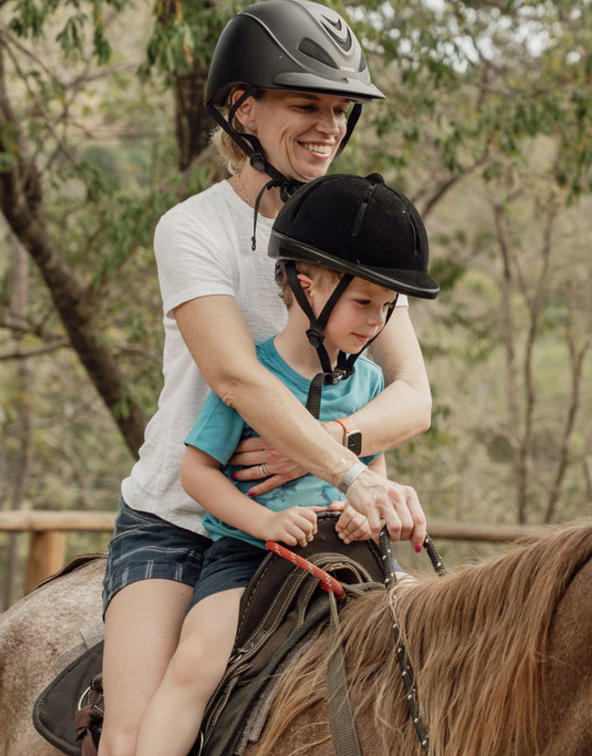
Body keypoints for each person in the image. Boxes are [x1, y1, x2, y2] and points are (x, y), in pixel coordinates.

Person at [99, 3, 434, 754]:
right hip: (184, 520)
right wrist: (349, 471)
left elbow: (413, 398)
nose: (328, 127)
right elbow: (236, 378)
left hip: (316, 525)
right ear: (243, 109)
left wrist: (330, 446)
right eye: (306, 104)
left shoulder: (358, 231)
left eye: (340, 110)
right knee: (129, 736)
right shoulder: (193, 229)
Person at [134, 173, 439, 755]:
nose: (376, 323)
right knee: (196, 662)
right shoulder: (256, 379)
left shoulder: (369, 382)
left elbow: (371, 468)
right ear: (307, 287)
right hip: (252, 558)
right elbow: (196, 473)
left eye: (386, 308)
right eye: (363, 303)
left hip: (348, 555)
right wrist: (266, 522)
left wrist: (365, 512)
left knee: (433, 634)